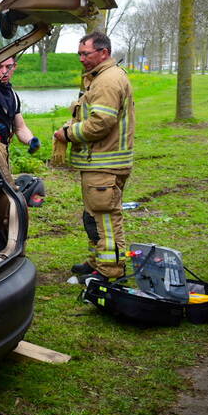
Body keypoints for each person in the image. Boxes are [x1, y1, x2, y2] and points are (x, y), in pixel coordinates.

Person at [53, 32, 135, 282]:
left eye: (85, 54)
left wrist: (67, 134)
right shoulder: (102, 77)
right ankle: (95, 263)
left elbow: (101, 123)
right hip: (100, 163)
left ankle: (109, 272)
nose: (81, 59)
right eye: (79, 54)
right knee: (93, 217)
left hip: (104, 164)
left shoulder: (107, 81)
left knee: (105, 220)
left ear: (104, 53)